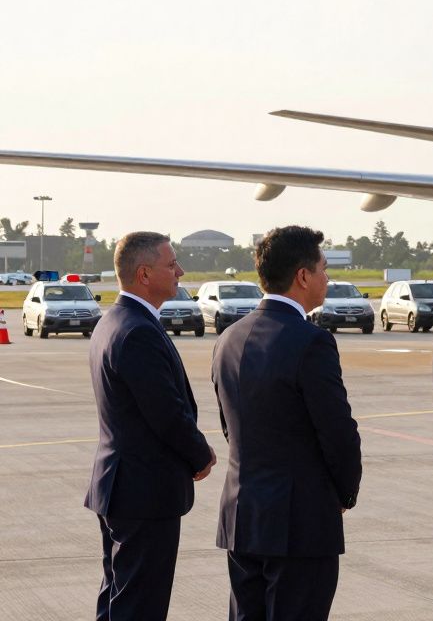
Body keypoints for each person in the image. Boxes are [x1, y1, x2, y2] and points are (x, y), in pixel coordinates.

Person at [212, 225, 362, 621]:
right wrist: (344, 494)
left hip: (242, 515)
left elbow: (230, 425)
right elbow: (338, 433)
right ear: (302, 276)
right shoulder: (310, 341)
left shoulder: (229, 338)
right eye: (324, 269)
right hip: (300, 523)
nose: (327, 278)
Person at [86, 232, 217, 620]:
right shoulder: (138, 330)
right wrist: (200, 454)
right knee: (139, 605)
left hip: (121, 486)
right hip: (142, 491)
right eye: (171, 263)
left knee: (118, 596)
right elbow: (165, 412)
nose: (180, 270)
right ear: (144, 274)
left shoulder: (116, 320)